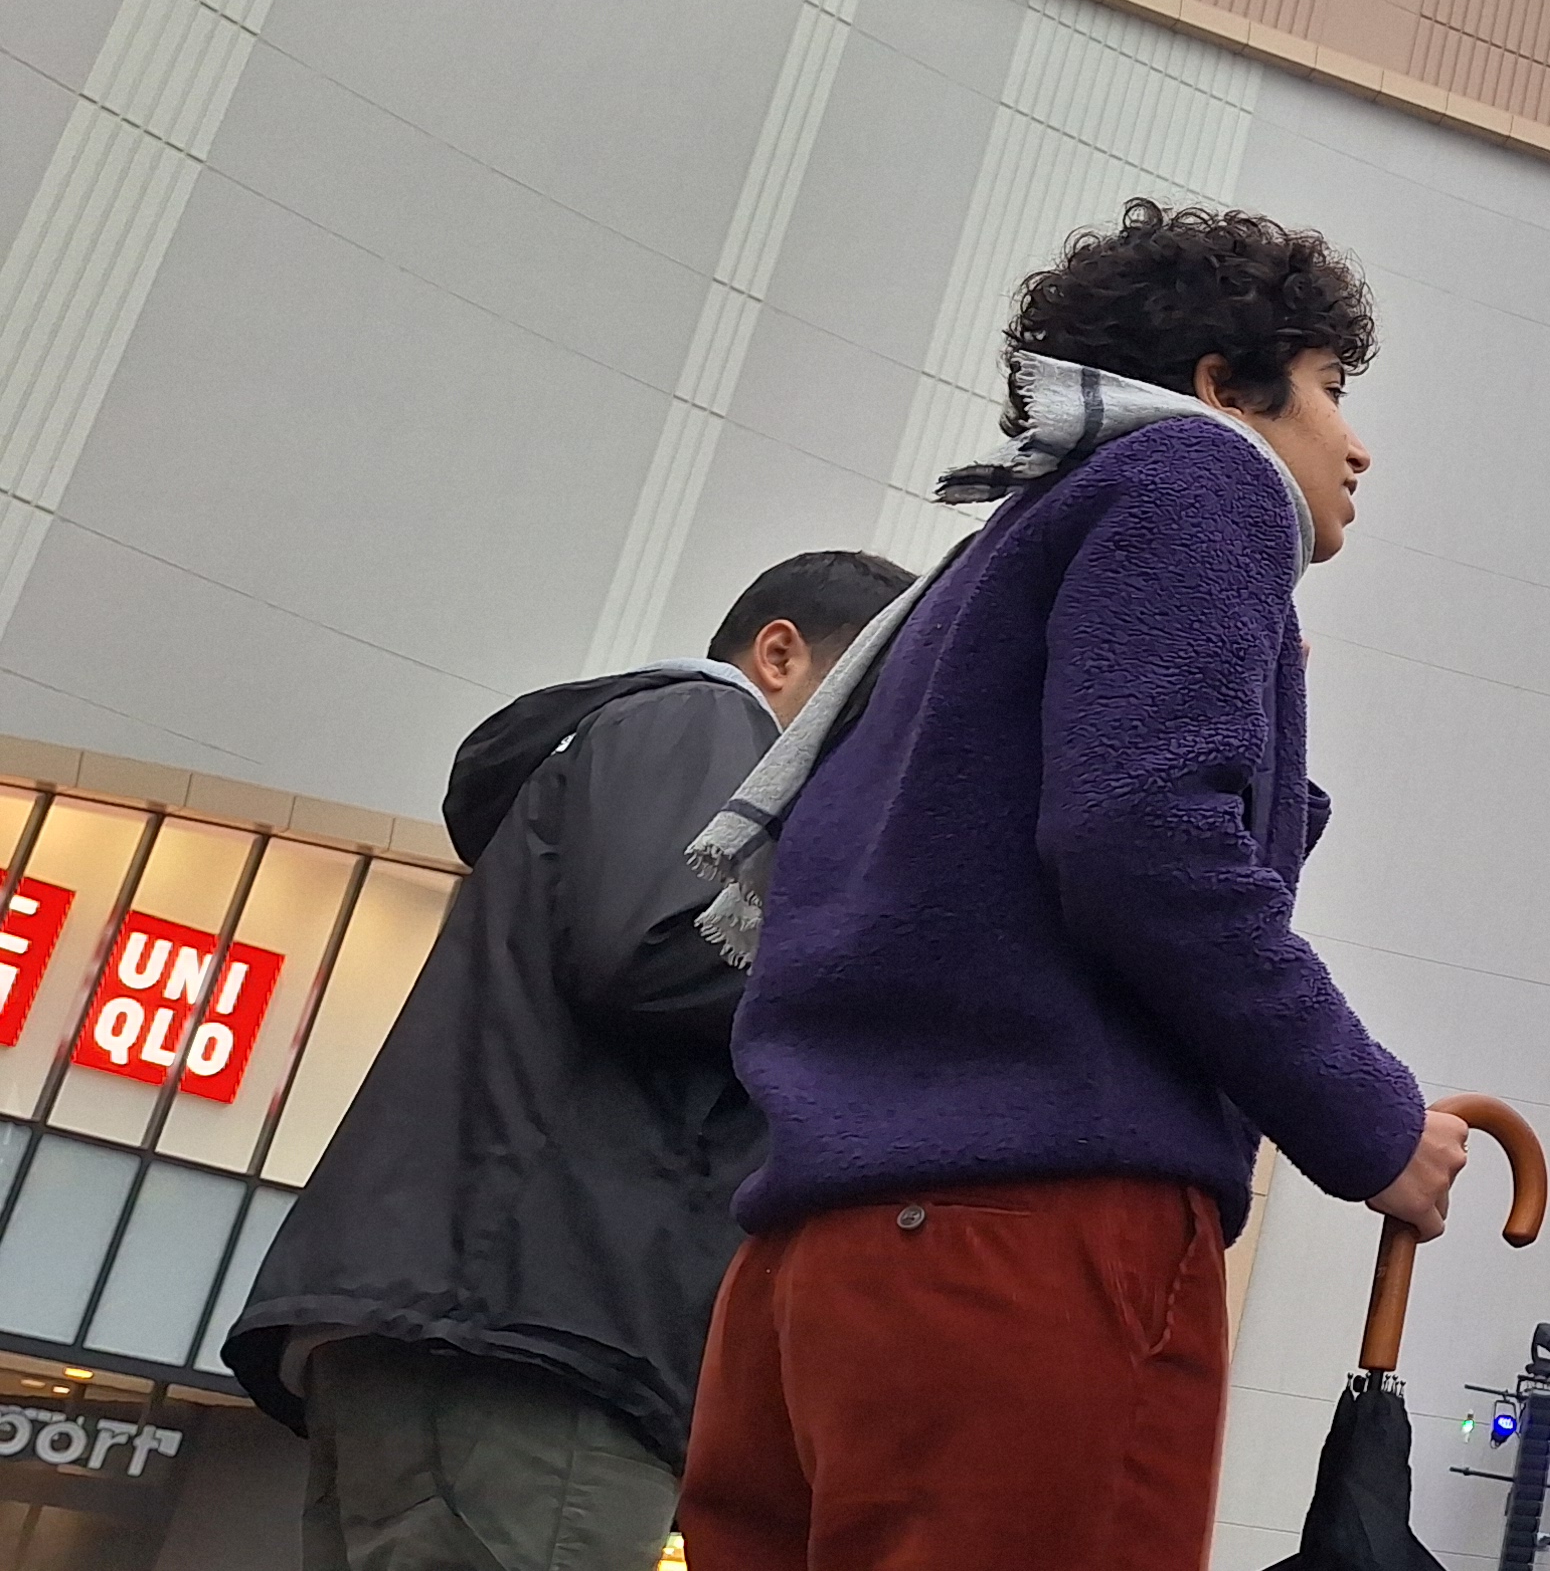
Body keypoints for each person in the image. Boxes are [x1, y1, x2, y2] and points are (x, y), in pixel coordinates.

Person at [674, 201, 1469, 1571]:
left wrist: (1266, 723)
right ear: (1226, 385)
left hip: (817, 1260)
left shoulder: (981, 571)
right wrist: (1371, 1121)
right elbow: (1148, 846)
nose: (1357, 444)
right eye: (1331, 387)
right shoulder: (1202, 477)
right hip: (1030, 1245)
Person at [225, 549, 914, 1571]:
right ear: (780, 656)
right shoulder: (710, 720)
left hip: (461, 1317)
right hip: (537, 1327)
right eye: (872, 704)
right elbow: (659, 945)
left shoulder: (609, 750)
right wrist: (887, 988)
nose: (883, 750)